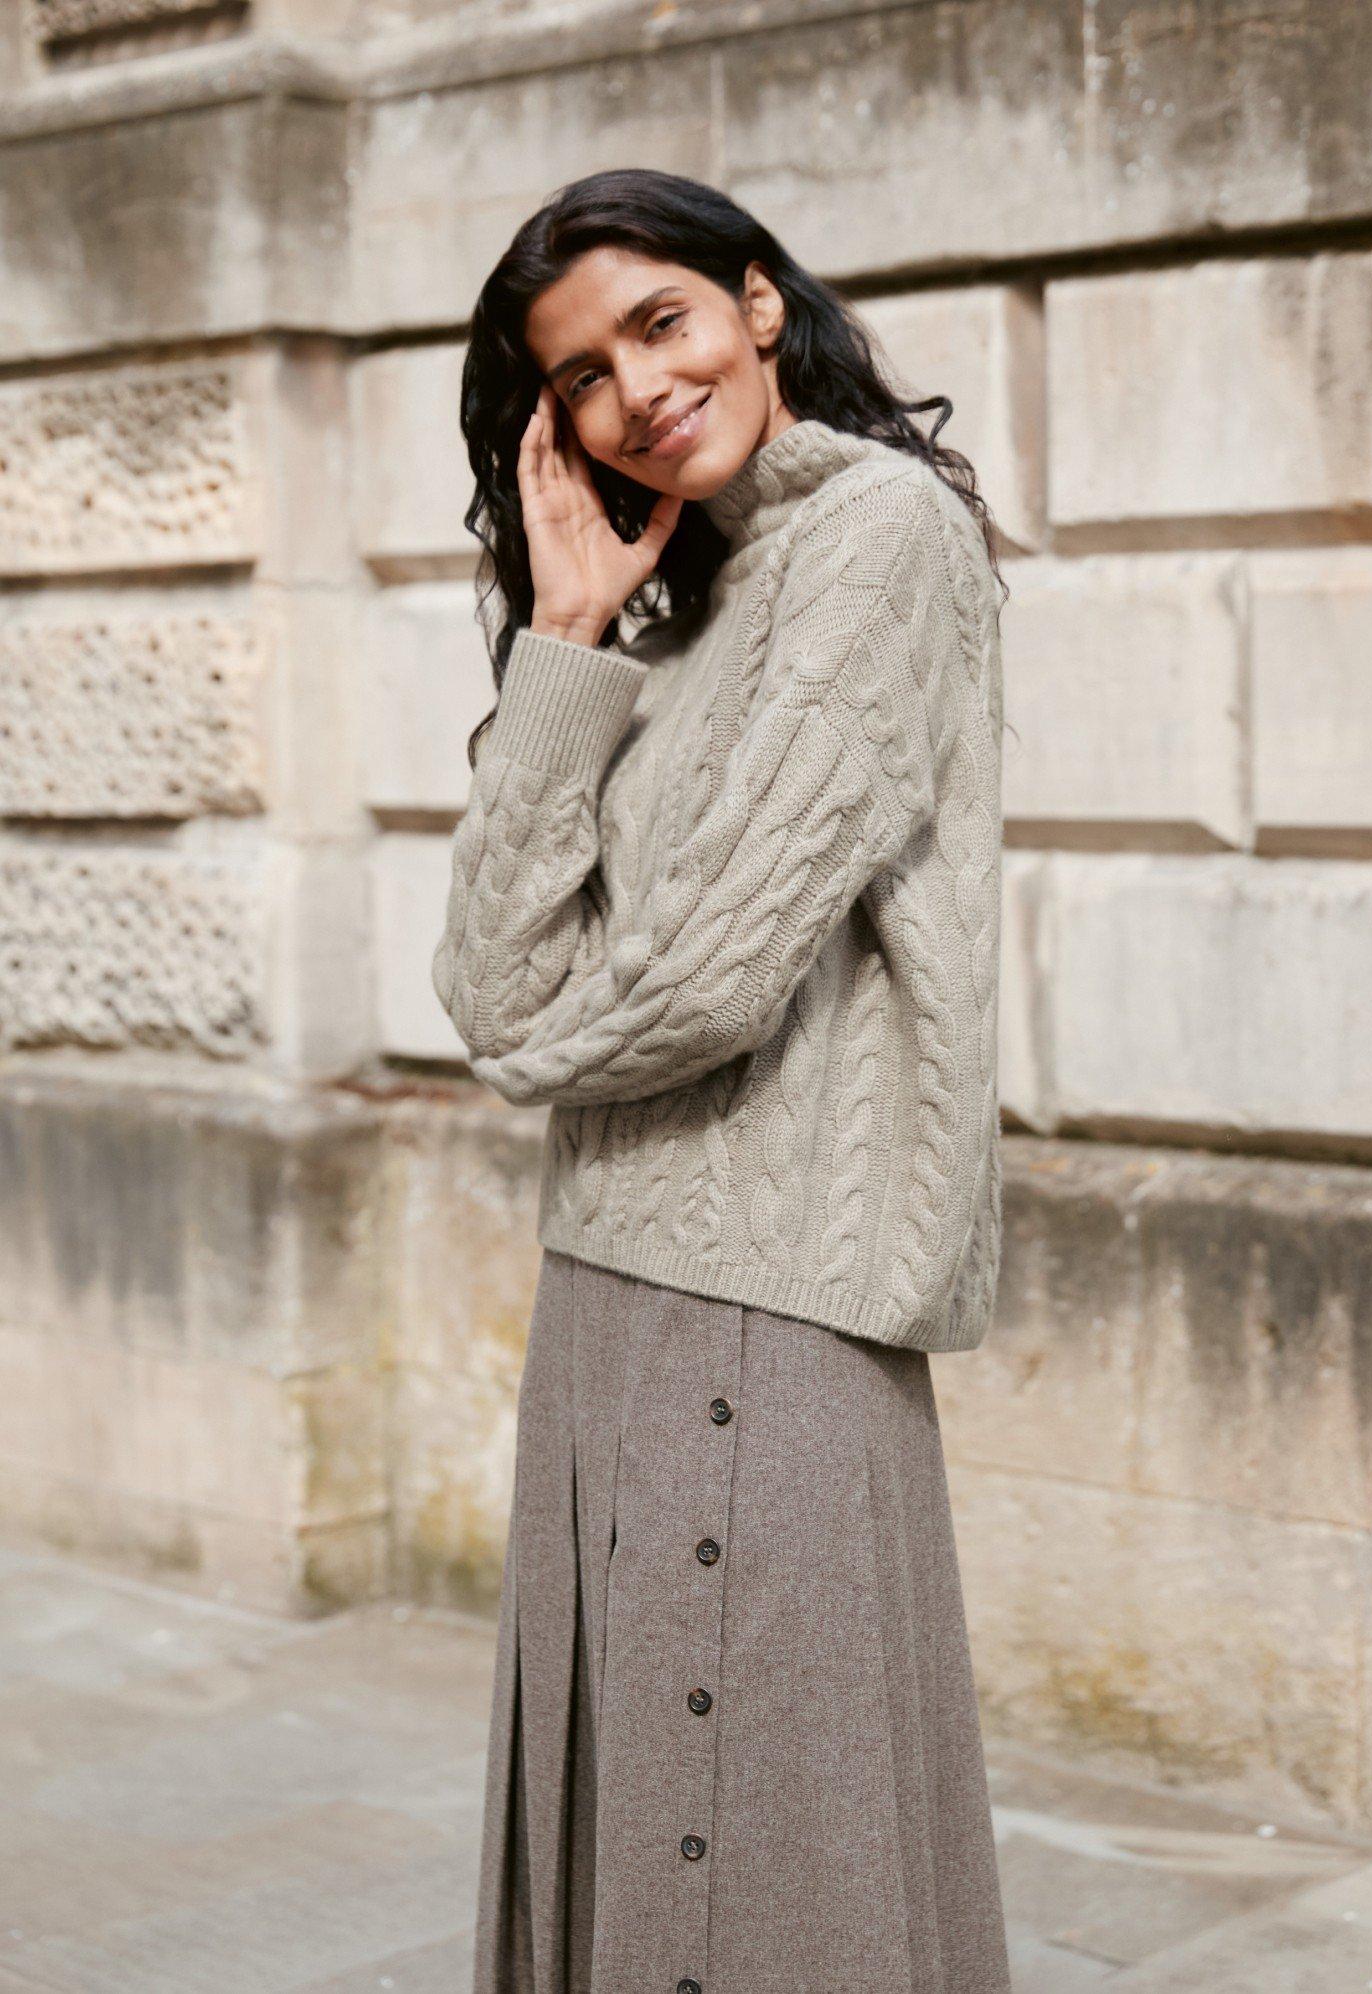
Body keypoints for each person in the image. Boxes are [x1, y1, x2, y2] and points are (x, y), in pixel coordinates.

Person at [431, 164, 1013, 1994]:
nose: (636, 389)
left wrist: (534, 1044)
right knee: (652, 1857)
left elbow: (698, 974)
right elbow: (490, 972)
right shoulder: (667, 611)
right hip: (608, 1294)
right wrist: (566, 641)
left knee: (767, 1881)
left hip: (772, 1305)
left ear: (758, 303)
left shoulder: (880, 539)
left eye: (659, 321)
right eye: (583, 373)